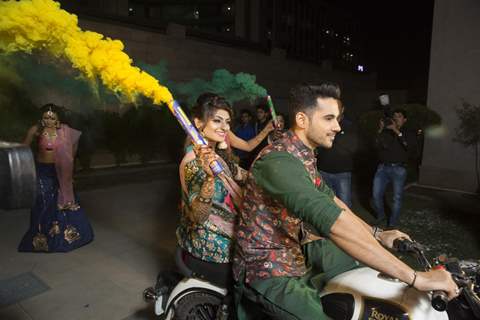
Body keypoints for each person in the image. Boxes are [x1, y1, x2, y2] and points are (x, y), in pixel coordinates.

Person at [233, 84, 458, 320]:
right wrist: (415, 277)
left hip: (296, 248)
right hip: (267, 266)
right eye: (329, 118)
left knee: (361, 272)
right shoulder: (278, 162)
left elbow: (333, 202)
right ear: (302, 119)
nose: (337, 127)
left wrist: (378, 234)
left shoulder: (300, 155)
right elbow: (334, 224)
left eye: (337, 119)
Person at [176, 93, 247, 288]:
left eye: (227, 122)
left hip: (228, 229)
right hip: (211, 243)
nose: (225, 127)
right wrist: (209, 178)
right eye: (217, 121)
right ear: (198, 123)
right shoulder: (193, 163)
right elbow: (199, 216)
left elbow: (239, 173)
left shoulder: (214, 155)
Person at [18, 104, 94, 252]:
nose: (49, 120)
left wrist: (69, 173)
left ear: (58, 119)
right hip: (42, 171)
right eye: (46, 117)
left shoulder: (65, 131)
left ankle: (65, 238)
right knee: (43, 201)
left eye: (52, 118)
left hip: (60, 172)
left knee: (63, 203)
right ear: (41, 118)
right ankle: (42, 238)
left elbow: (72, 152)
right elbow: (23, 148)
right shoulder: (36, 130)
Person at [372, 108, 418, 228]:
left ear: (404, 119)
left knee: (396, 198)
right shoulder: (387, 132)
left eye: (399, 116)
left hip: (399, 169)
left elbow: (409, 146)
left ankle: (392, 223)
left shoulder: (409, 132)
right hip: (382, 168)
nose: (396, 118)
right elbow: (376, 145)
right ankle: (381, 216)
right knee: (376, 195)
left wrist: (396, 131)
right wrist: (381, 129)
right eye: (395, 116)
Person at [316, 101, 358, 208]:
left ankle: (347, 225)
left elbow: (351, 146)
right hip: (324, 171)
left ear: (342, 109)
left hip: (342, 173)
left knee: (344, 205)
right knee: (327, 203)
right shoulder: (324, 123)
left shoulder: (349, 125)